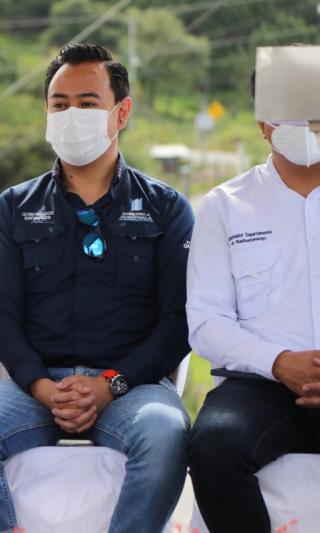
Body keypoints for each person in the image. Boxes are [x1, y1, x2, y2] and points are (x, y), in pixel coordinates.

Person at [0, 43, 194, 533]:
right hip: (36, 390)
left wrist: (110, 385)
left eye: (87, 103)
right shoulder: (14, 207)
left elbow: (178, 322)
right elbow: (0, 316)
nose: (71, 114)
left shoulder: (166, 208)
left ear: (121, 113)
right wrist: (42, 387)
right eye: (59, 105)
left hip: (131, 389)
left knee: (167, 433)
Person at [187, 64, 320, 532]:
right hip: (260, 385)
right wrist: (279, 362)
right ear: (264, 122)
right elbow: (207, 322)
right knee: (213, 444)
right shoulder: (225, 205)